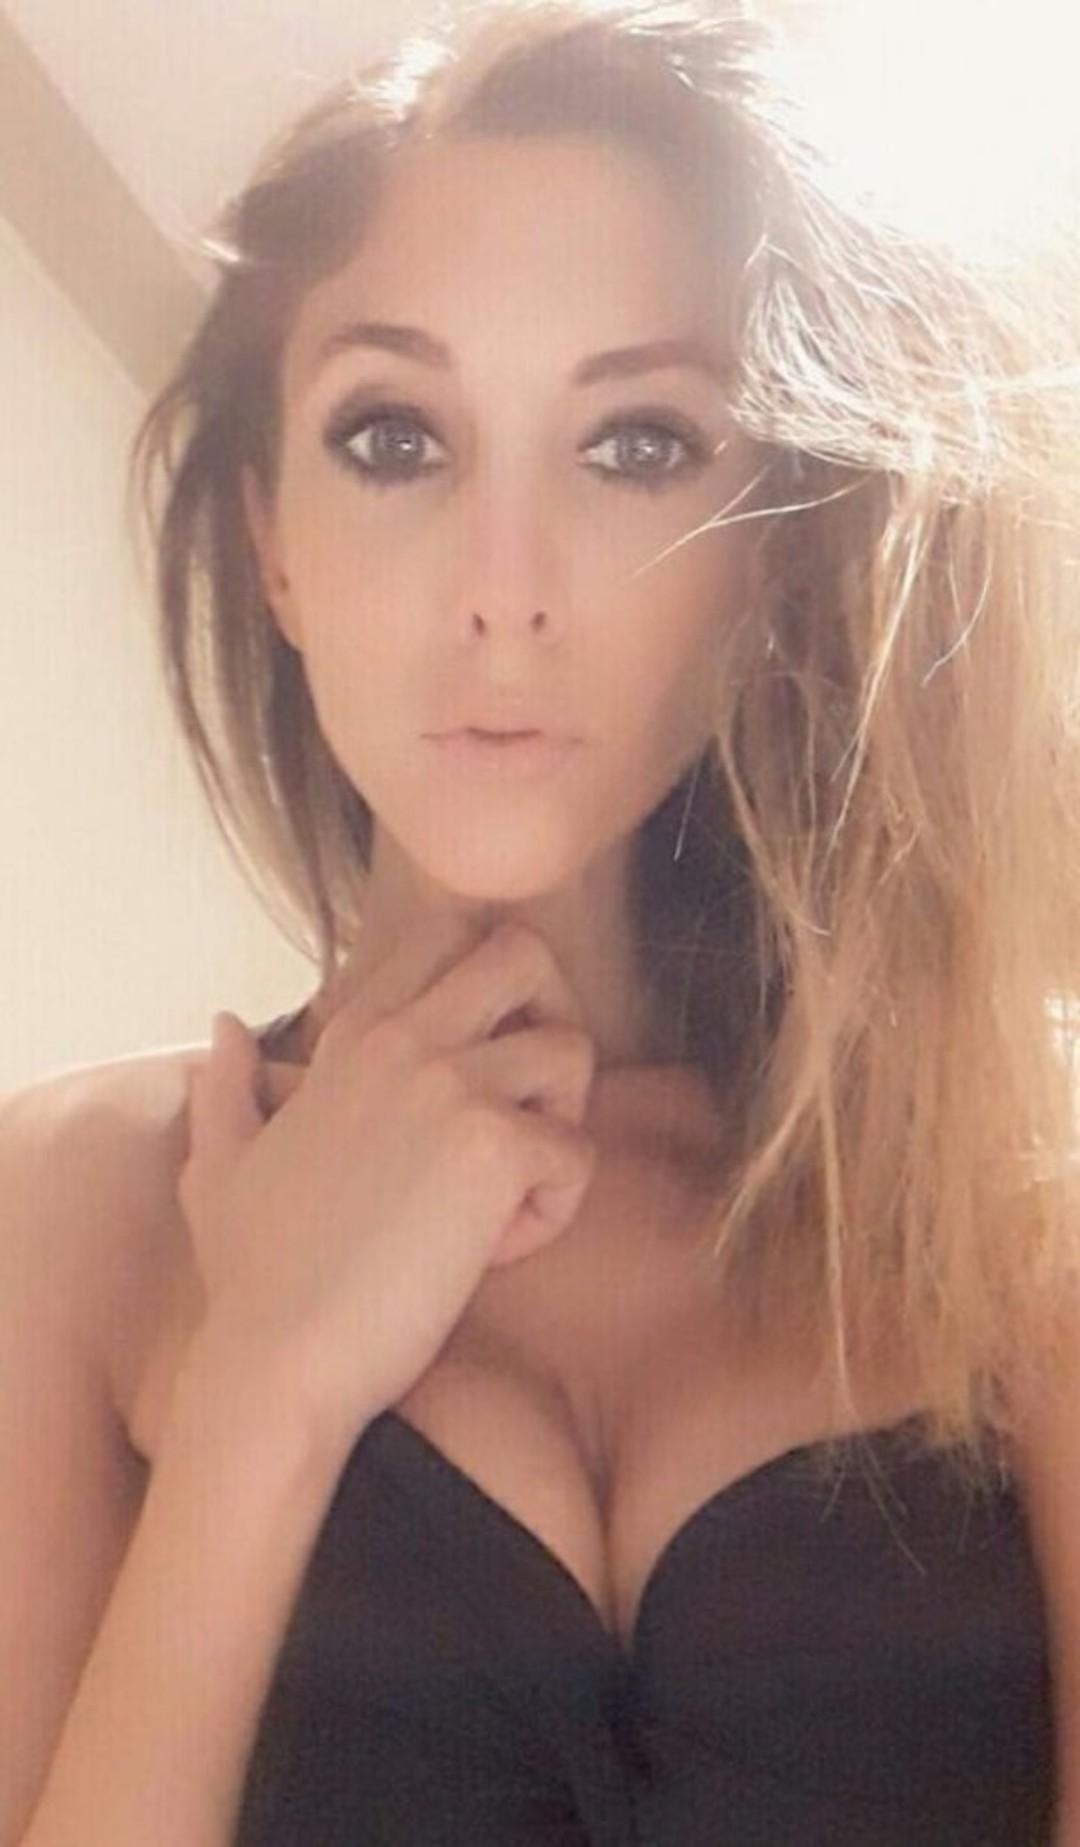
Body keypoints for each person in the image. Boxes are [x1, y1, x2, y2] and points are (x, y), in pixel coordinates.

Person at [4, 0, 1080, 1839]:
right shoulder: (76, 1210)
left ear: (769, 544)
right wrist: (269, 1385)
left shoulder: (1005, 1178)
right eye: (396, 438)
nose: (504, 591)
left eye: (638, 444)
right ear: (272, 544)